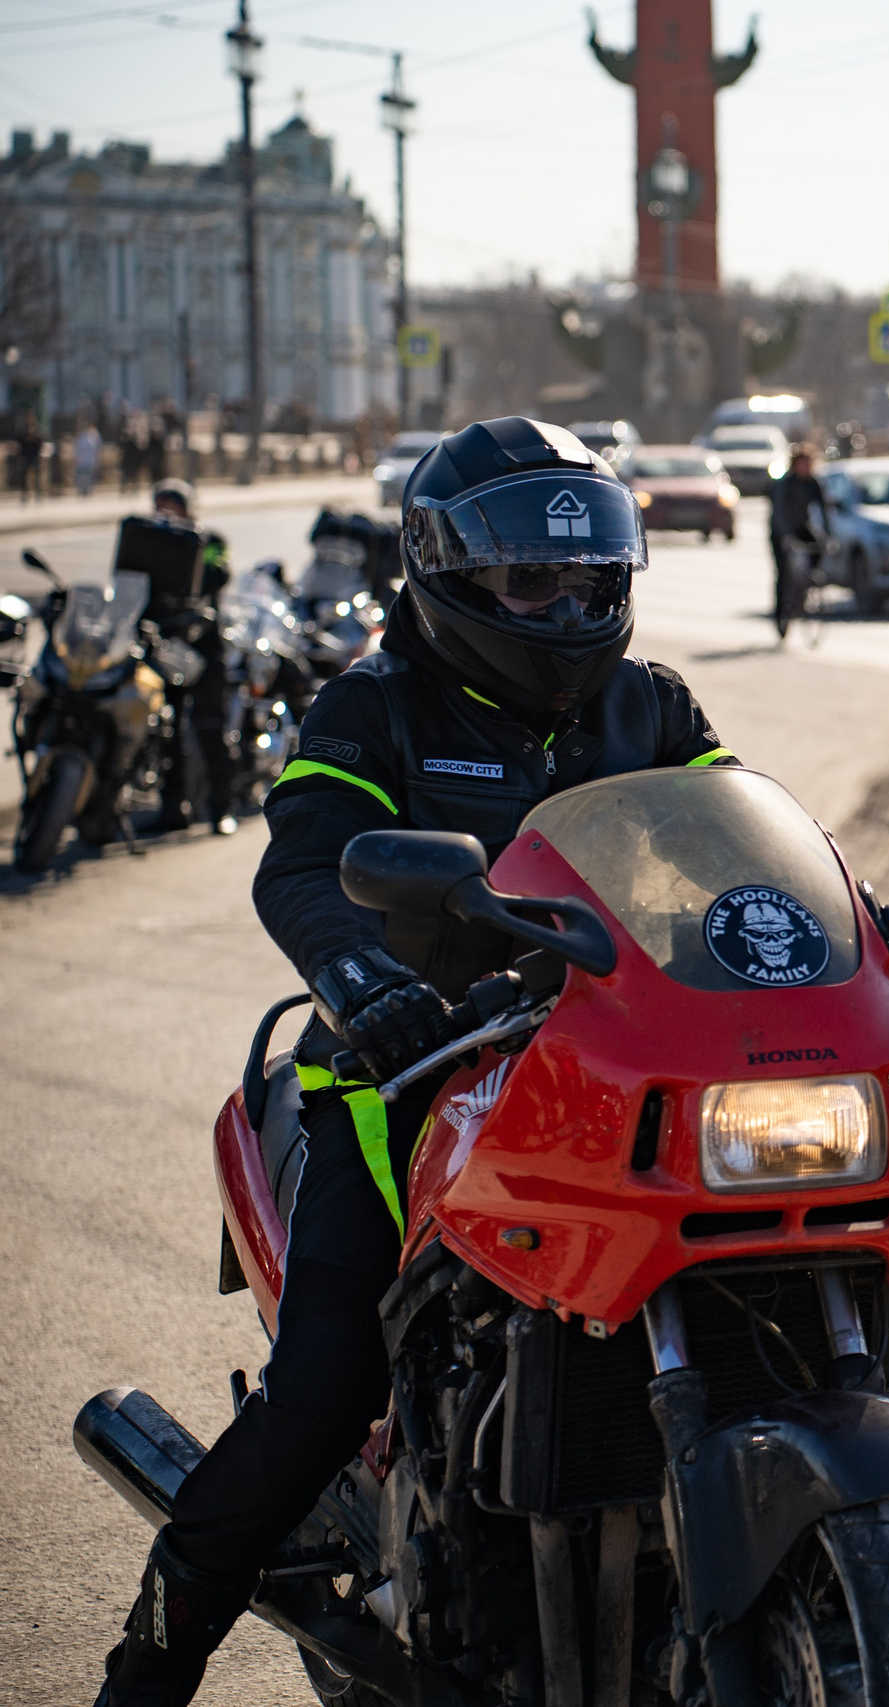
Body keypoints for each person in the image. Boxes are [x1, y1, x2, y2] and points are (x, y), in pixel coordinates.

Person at [94, 418, 747, 1704]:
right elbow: (303, 857)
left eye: (589, 578)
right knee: (329, 1387)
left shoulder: (650, 705)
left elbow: (734, 837)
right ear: (446, 577)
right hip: (406, 1080)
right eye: (530, 581)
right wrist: (358, 976)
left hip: (604, 1077)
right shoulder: (373, 705)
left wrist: (838, 948)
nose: (566, 605)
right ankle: (145, 1669)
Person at [138, 479, 240, 836]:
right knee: (167, 732)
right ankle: (172, 810)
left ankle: (221, 811)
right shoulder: (147, 539)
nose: (165, 514)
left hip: (203, 648)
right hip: (163, 646)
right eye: (160, 506)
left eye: (173, 507)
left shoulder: (208, 541)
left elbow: (219, 572)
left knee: (209, 728)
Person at [769, 444, 827, 618]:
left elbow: (823, 509)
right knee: (783, 571)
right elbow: (779, 512)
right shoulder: (785, 484)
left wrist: (827, 535)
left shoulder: (812, 484)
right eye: (802, 464)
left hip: (802, 527)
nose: (806, 468)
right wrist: (786, 536)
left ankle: (805, 586)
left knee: (817, 549)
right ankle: (780, 612)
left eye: (808, 464)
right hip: (781, 532)